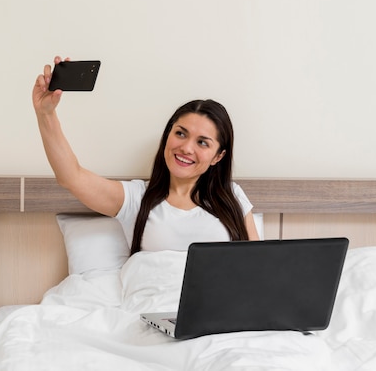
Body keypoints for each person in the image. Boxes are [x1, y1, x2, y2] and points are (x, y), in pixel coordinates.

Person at [33, 57, 260, 253]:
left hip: (217, 304)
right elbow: (71, 177)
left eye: (202, 142)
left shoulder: (233, 198)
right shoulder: (136, 199)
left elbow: (259, 268)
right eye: (181, 133)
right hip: (153, 303)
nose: (187, 148)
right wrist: (46, 114)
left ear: (218, 157)